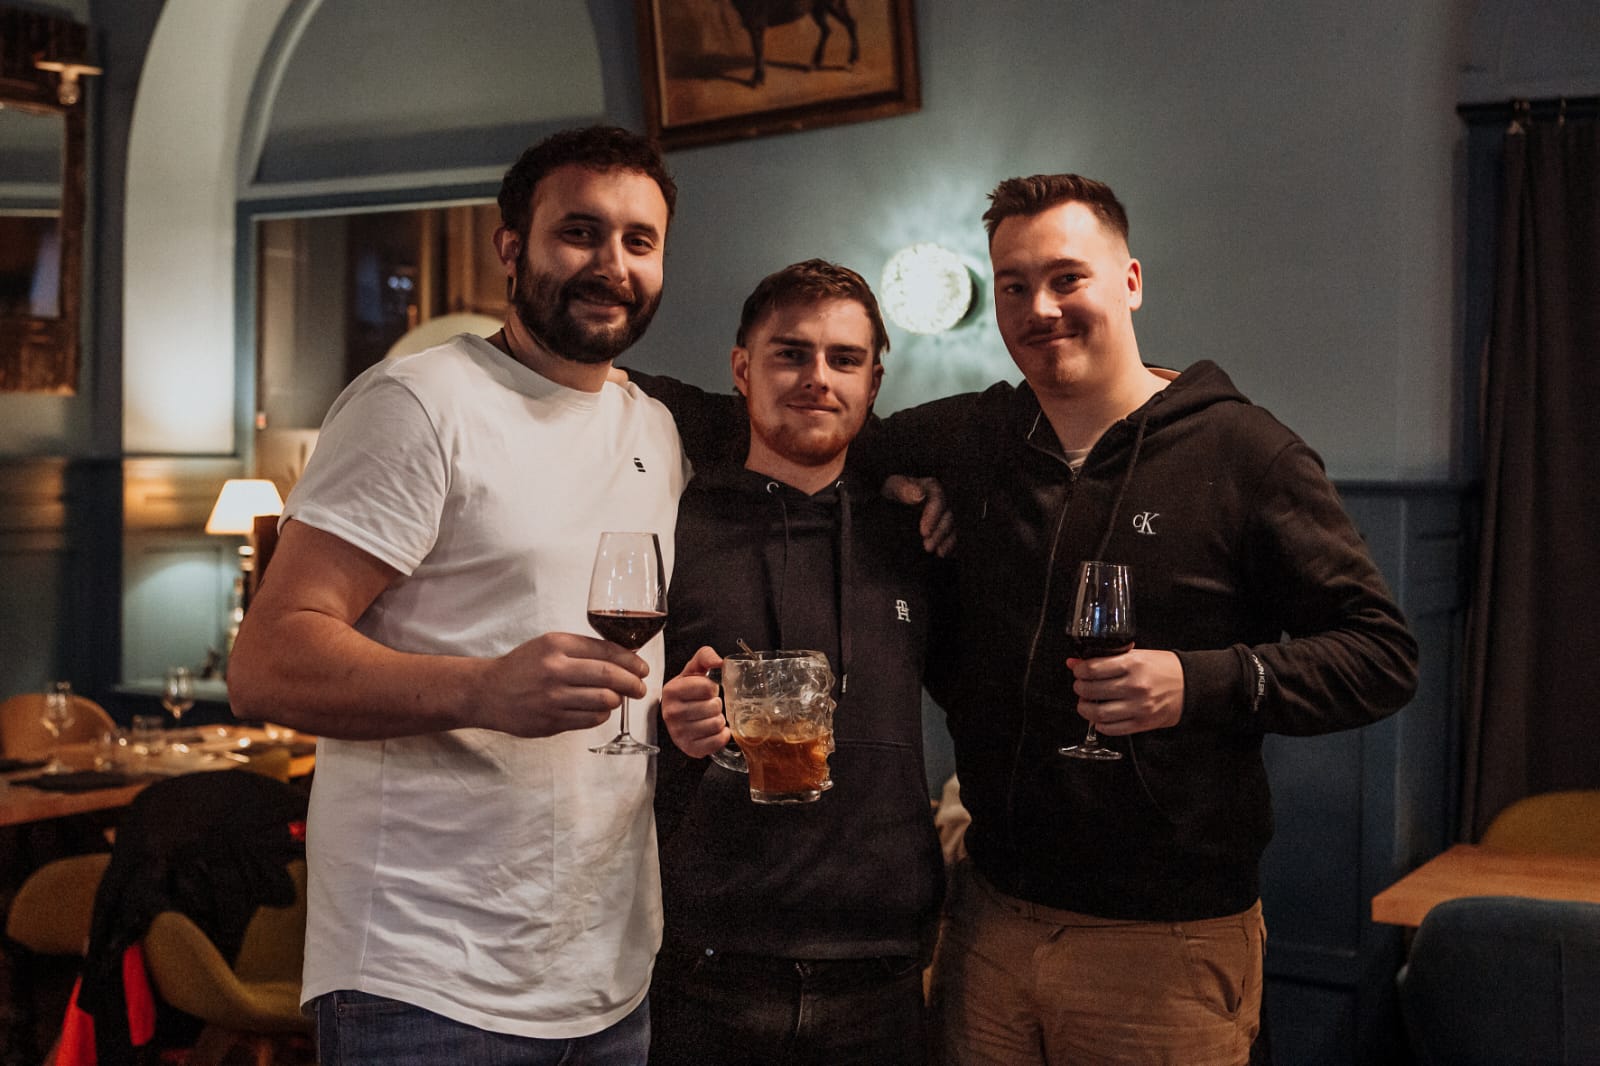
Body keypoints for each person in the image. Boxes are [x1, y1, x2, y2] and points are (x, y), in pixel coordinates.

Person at [870, 175, 1421, 1065]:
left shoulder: (1245, 451)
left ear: (1129, 281)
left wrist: (1198, 682)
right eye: (1014, 285)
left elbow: (1382, 656)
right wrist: (902, 487)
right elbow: (831, 443)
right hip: (989, 921)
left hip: (1164, 943)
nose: (1039, 308)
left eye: (1067, 278)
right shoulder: (976, 438)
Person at [226, 125, 686, 1065]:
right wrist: (482, 688)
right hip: (426, 980)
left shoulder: (655, 429)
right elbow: (266, 663)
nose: (612, 265)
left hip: (610, 978)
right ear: (510, 246)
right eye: (580, 233)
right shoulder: (419, 403)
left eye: (639, 241)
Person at [631, 260, 946, 1065]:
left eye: (844, 359)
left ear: (874, 382)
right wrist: (670, 723)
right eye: (790, 354)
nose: (817, 378)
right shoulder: (672, 521)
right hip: (703, 967)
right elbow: (611, 715)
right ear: (742, 369)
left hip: (882, 974)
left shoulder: (919, 533)